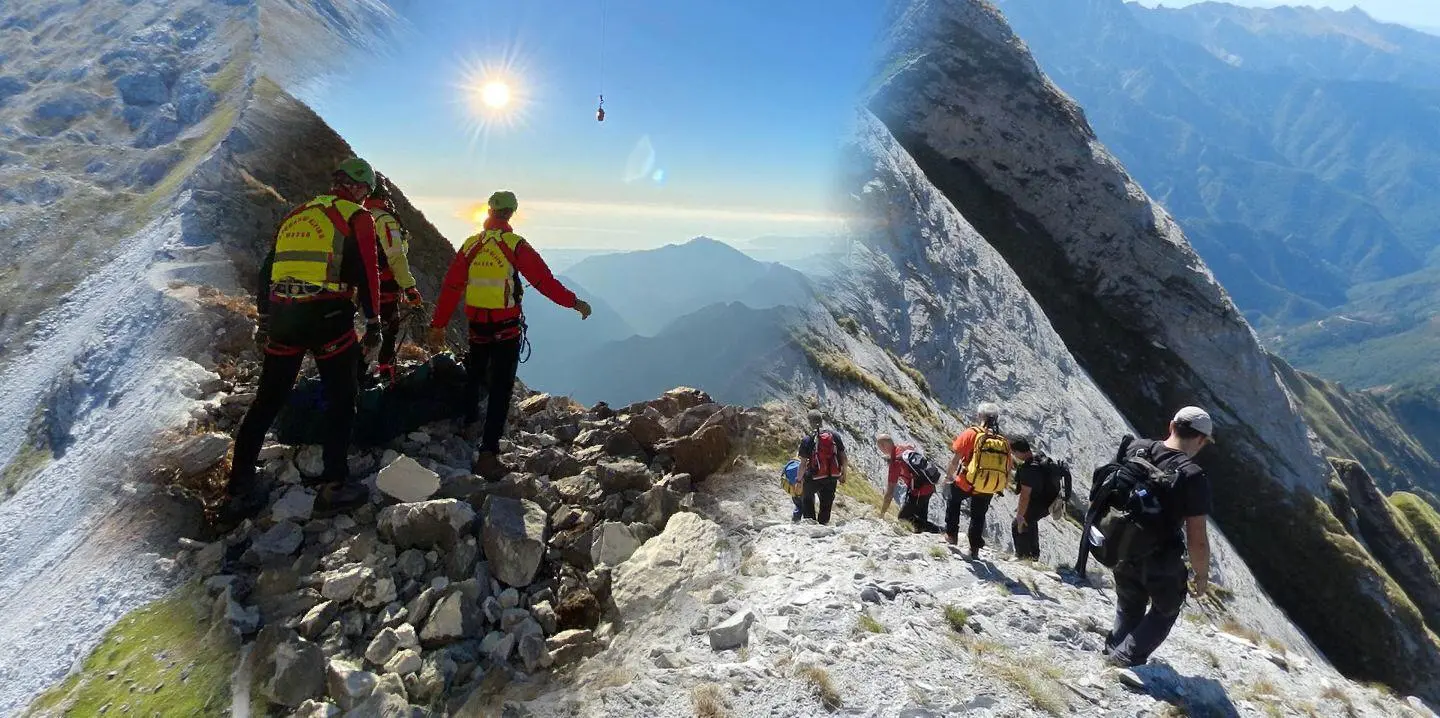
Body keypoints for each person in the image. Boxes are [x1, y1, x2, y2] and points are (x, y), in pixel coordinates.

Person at [224, 158, 384, 521]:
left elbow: (268, 270)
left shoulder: (295, 215)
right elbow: (367, 272)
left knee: (267, 400)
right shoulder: (357, 217)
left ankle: (239, 488)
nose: (365, 198)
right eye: (366, 192)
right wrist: (374, 322)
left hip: (283, 317)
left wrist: (265, 318)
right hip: (326, 316)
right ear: (358, 187)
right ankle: (334, 485)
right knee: (342, 398)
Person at [427, 190, 591, 479]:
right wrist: (574, 302)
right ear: (512, 213)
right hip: (505, 329)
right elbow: (543, 281)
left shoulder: (470, 245)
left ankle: (468, 422)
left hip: (477, 325)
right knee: (501, 389)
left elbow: (452, 287)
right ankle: (488, 454)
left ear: (489, 211)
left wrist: (438, 325)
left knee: (475, 372)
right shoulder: (515, 246)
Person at [1104, 406, 1214, 669]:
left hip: (1121, 545)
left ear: (1171, 426)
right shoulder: (1192, 476)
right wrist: (1201, 575)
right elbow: (1197, 536)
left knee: (1129, 604)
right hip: (1159, 557)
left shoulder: (1137, 448)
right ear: (1200, 440)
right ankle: (1124, 659)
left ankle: (1112, 651)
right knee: (1166, 608)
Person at [363, 173, 422, 371]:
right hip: (384, 282)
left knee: (375, 324)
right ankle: (382, 368)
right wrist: (410, 287)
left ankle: (357, 368)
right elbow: (396, 257)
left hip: (363, 281)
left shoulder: (360, 214)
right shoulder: (384, 219)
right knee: (389, 327)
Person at [944, 402, 1013, 559]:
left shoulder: (971, 433)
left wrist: (949, 477)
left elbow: (956, 459)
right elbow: (1008, 468)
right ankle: (974, 549)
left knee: (953, 500)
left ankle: (951, 535)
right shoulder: (1002, 440)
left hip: (967, 480)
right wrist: (1000, 485)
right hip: (987, 485)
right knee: (978, 516)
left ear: (980, 416)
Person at [1009, 437, 1072, 560]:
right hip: (1051, 501)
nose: (1013, 455)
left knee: (1018, 524)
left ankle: (1023, 556)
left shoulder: (1028, 469)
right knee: (1031, 521)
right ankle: (1034, 555)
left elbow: (1024, 497)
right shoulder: (1039, 459)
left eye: (1014, 453)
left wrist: (1020, 515)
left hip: (1040, 502)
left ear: (1019, 452)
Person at [876, 433, 940, 533]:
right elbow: (912, 447)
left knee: (903, 518)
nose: (881, 450)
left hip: (919, 491)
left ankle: (939, 531)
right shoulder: (903, 448)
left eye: (880, 447)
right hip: (929, 486)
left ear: (884, 446)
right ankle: (930, 534)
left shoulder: (895, 462)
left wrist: (882, 513)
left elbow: (890, 492)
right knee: (920, 517)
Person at [796, 410, 847, 525]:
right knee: (827, 501)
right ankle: (823, 524)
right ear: (821, 420)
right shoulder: (835, 436)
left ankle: (810, 523)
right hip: (832, 475)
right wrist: (844, 474)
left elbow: (803, 464)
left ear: (809, 422)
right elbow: (843, 457)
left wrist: (799, 480)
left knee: (807, 497)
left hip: (814, 476)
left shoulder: (808, 439)